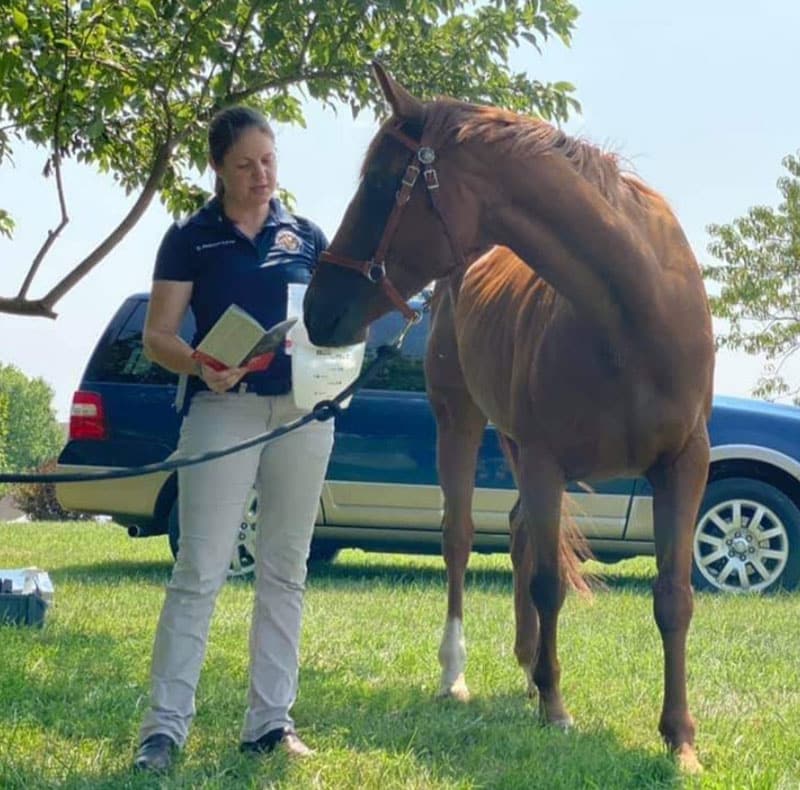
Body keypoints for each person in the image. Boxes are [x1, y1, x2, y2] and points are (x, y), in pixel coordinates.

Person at [134, 106, 334, 772]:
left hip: (301, 414)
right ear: (218, 168)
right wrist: (198, 362)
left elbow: (333, 321)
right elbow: (158, 336)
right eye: (245, 165)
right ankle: (163, 732)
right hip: (223, 411)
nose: (261, 176)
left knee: (286, 569)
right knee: (200, 571)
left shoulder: (305, 235)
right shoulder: (191, 237)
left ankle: (270, 725)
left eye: (269, 161)